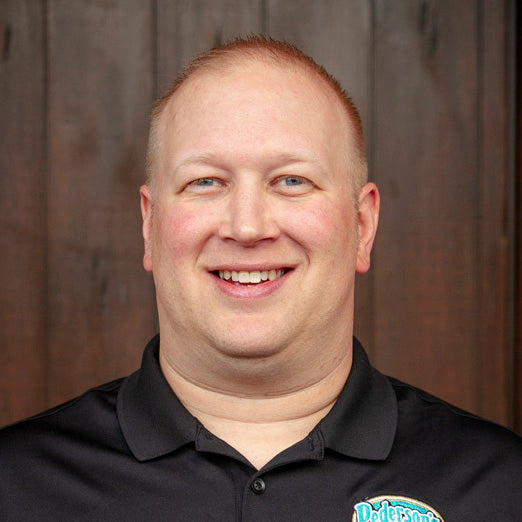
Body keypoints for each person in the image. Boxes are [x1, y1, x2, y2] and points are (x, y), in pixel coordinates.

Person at [1, 36, 521, 521]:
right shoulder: (15, 486)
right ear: (149, 224)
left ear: (362, 227)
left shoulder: (502, 488)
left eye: (291, 180)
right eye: (205, 181)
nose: (247, 227)